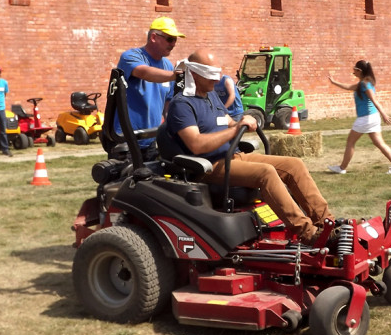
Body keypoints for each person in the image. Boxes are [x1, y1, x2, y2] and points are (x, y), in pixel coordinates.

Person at [165, 50, 333, 244]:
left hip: (232, 156)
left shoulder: (210, 96)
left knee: (294, 165)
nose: (216, 80)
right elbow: (196, 144)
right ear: (194, 74)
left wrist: (243, 120)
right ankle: (308, 232)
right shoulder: (182, 105)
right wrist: (235, 130)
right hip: (208, 166)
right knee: (266, 173)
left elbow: (226, 120)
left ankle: (328, 223)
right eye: (210, 75)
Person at [116, 17, 184, 149]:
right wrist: (174, 76)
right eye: (170, 39)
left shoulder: (168, 66)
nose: (173, 44)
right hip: (125, 139)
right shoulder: (130, 56)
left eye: (175, 40)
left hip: (151, 139)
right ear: (154, 37)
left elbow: (167, 104)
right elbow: (144, 72)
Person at [327, 60, 391, 175]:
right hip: (372, 118)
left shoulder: (365, 84)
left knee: (350, 142)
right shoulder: (364, 83)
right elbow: (348, 87)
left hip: (366, 118)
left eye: (354, 71)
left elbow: (374, 100)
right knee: (379, 143)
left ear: (359, 71)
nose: (353, 73)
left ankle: (342, 168)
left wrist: (384, 114)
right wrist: (334, 82)